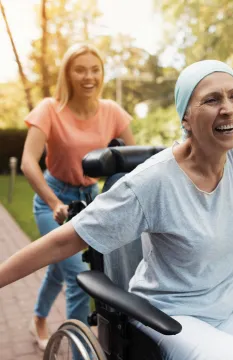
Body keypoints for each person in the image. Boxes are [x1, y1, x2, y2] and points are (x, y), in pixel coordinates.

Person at [0, 59, 233, 360]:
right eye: (212, 99)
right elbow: (65, 242)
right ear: (186, 118)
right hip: (170, 315)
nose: (228, 108)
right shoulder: (152, 182)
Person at [20, 43, 135, 350]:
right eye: (80, 69)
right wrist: (53, 203)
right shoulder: (49, 109)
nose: (89, 76)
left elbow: (133, 162)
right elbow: (28, 162)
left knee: (60, 269)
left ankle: (38, 320)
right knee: (79, 277)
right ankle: (81, 353)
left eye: (95, 69)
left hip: (91, 201)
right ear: (68, 74)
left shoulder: (111, 111)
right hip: (53, 200)